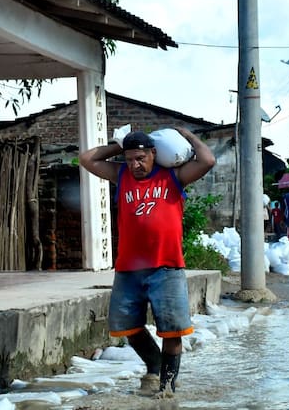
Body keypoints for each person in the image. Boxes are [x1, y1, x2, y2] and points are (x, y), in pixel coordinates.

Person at [78, 127, 215, 395]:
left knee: (172, 330)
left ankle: (167, 386)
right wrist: (121, 145)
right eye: (130, 159)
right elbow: (87, 159)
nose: (135, 165)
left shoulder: (172, 176)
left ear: (154, 154)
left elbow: (207, 161)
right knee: (127, 326)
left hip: (167, 266)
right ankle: (154, 365)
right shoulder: (121, 175)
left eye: (140, 158)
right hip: (129, 269)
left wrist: (187, 135)